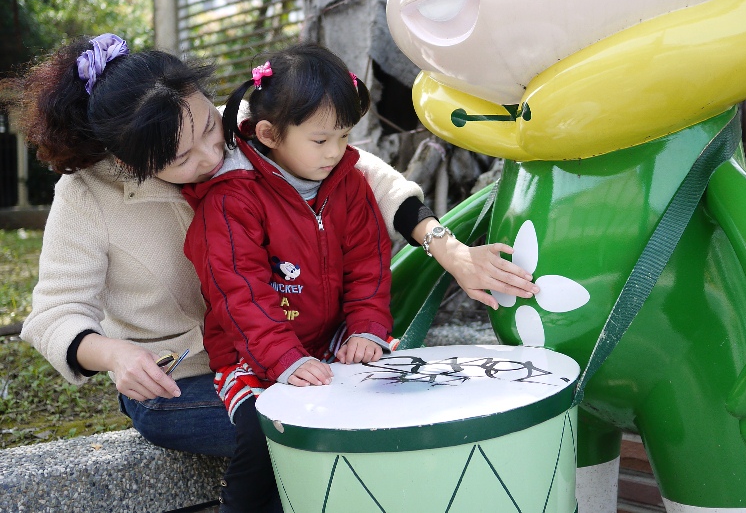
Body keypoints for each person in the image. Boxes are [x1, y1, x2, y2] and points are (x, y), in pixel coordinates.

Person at [13, 33, 538, 464]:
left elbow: (361, 171)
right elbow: (54, 315)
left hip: (294, 348)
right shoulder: (86, 196)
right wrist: (115, 355)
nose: (212, 154)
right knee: (299, 433)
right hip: (190, 378)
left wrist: (447, 249)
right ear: (128, 161)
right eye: (182, 158)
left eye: (207, 128)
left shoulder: (243, 127)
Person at [183, 43, 402, 511]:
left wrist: (366, 328)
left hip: (330, 339)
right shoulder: (233, 198)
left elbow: (369, 264)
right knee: (267, 430)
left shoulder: (348, 184)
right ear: (269, 134)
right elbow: (238, 292)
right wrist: (284, 359)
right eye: (321, 141)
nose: (336, 152)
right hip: (254, 353)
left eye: (344, 136)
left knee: (390, 398)